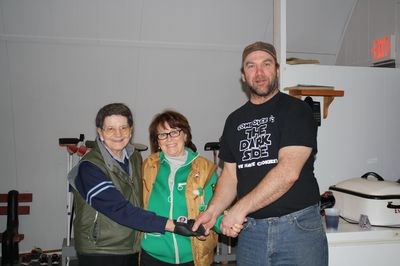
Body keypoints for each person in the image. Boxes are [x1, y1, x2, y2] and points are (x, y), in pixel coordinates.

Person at [193, 42, 328, 266]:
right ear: (243, 76)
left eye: (266, 64)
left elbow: (288, 173)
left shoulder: (296, 110)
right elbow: (230, 175)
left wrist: (238, 210)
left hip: (298, 231)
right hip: (252, 232)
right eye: (251, 66)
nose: (259, 73)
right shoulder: (234, 120)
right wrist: (212, 212)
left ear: (276, 69)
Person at [67, 103, 204, 266]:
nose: (118, 134)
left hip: (132, 246)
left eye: (123, 128)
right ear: (100, 132)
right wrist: (173, 225)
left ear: (131, 130)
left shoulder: (135, 158)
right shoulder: (90, 167)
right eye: (110, 129)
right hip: (101, 250)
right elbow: (119, 209)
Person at [140, 110, 241, 266]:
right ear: (157, 141)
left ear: (185, 135)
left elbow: (213, 208)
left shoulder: (205, 169)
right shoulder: (147, 166)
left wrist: (224, 224)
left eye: (174, 132)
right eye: (162, 135)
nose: (169, 139)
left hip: (193, 256)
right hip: (152, 254)